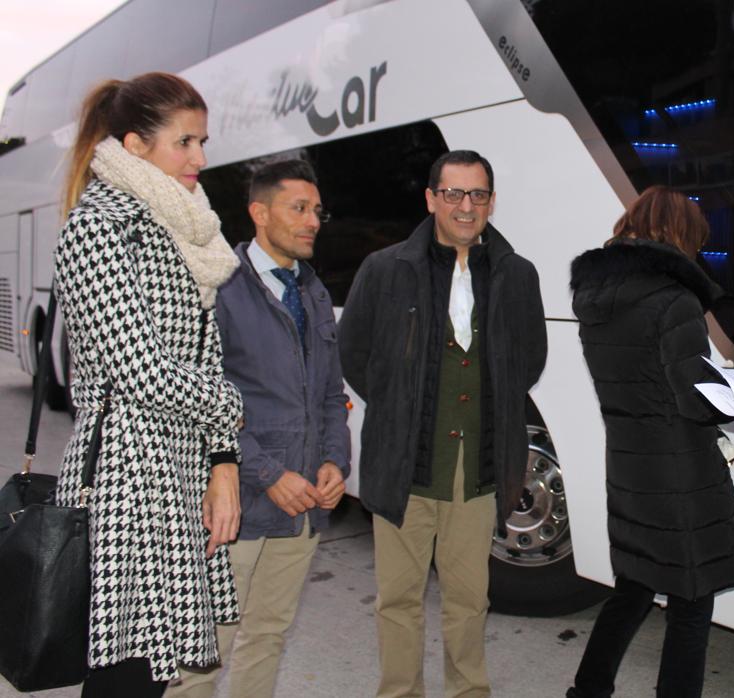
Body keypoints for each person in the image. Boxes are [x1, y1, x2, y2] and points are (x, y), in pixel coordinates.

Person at [52, 72, 244, 696]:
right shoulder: (97, 226)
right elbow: (140, 369)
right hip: (127, 474)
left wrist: (223, 463)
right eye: (185, 142)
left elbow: (203, 355)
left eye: (202, 141)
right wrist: (228, 404)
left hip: (180, 464)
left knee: (153, 672)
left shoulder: (177, 229)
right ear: (135, 146)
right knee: (125, 673)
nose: (201, 158)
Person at [337, 150, 546, 698]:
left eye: (477, 195)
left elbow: (531, 360)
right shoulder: (386, 270)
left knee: (469, 599)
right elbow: (354, 354)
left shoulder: (515, 274)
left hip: (476, 470)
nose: (465, 206)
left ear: (491, 203)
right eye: (452, 193)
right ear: (431, 199)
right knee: (399, 600)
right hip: (402, 466)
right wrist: (400, 406)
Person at [566, 186, 734, 698]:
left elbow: (650, 383)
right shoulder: (673, 300)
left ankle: (588, 690)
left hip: (631, 474)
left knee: (632, 591)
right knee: (691, 606)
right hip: (682, 482)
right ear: (681, 236)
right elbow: (695, 399)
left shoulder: (596, 301)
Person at [166, 160, 351, 697]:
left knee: (268, 635)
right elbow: (202, 400)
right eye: (299, 209)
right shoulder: (217, 286)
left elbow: (330, 394)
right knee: (206, 652)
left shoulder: (313, 291)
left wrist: (335, 463)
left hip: (302, 508)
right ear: (259, 212)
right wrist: (269, 473)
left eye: (317, 210)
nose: (313, 221)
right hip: (234, 506)